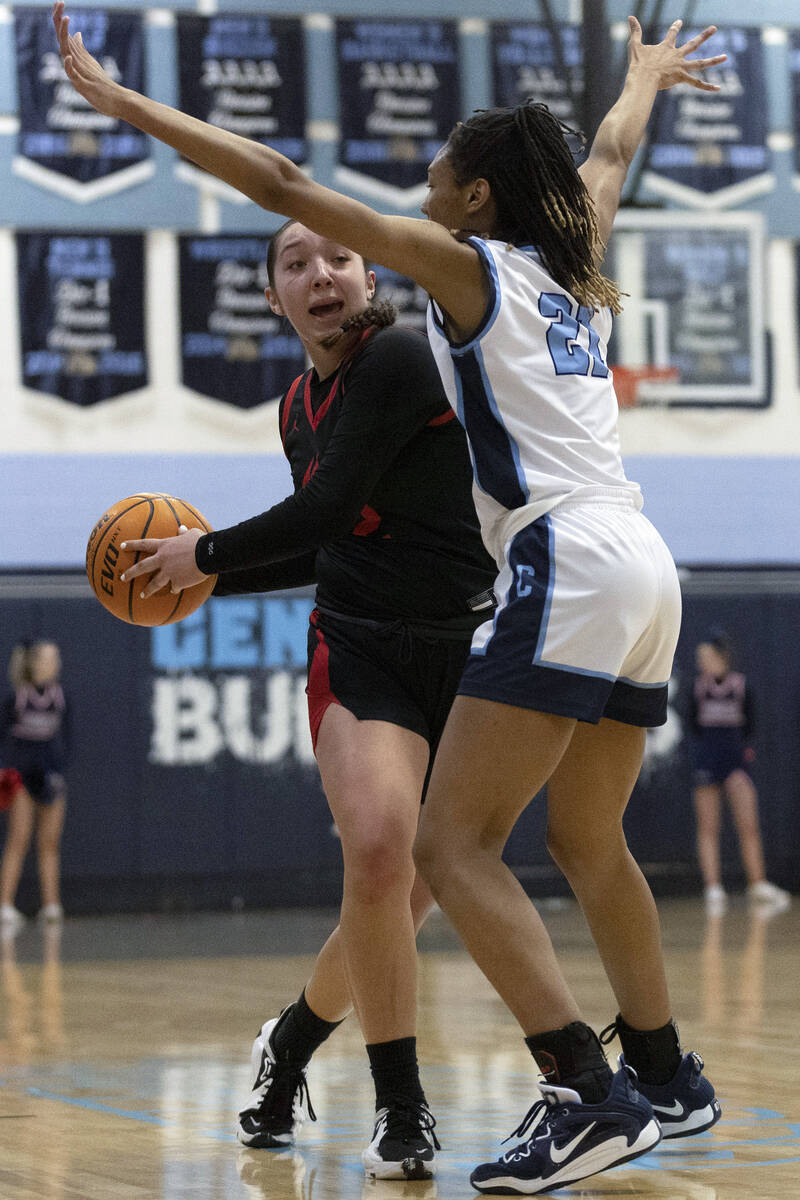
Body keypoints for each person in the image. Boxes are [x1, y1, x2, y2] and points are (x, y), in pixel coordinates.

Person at [53, 7, 726, 1191]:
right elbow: (607, 161)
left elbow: (281, 179)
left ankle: (584, 1090)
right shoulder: (571, 267)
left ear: (472, 201)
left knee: (448, 844)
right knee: (582, 836)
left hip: (559, 555)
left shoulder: (461, 276)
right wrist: (641, 82)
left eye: (432, 176)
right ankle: (666, 1070)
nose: (415, 190)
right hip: (646, 562)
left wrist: (129, 109)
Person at [119, 223, 495, 1179]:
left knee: (404, 898)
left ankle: (287, 1044)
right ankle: (402, 1109)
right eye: (296, 263)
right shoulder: (296, 406)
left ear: (368, 276)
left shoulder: (400, 359)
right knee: (376, 854)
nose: (320, 273)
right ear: (274, 295)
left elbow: (327, 510)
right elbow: (330, 545)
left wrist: (200, 558)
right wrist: (195, 585)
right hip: (359, 643)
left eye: (337, 257)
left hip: (464, 646)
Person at [691, 633, 790, 916]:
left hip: (736, 765)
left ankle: (757, 884)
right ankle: (713, 888)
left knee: (748, 826)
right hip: (707, 763)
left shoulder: (741, 686)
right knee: (708, 828)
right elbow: (694, 726)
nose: (702, 662)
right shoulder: (698, 688)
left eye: (707, 656)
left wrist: (739, 762)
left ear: (722, 658)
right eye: (700, 658)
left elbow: (750, 728)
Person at [0, 641, 70, 930]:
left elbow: (68, 739)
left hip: (49, 775)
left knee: (50, 842)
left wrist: (58, 771)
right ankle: (5, 905)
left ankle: (52, 905)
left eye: (56, 657)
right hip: (21, 778)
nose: (54, 663)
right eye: (48, 658)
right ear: (34, 663)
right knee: (18, 839)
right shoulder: (17, 697)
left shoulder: (60, 696)